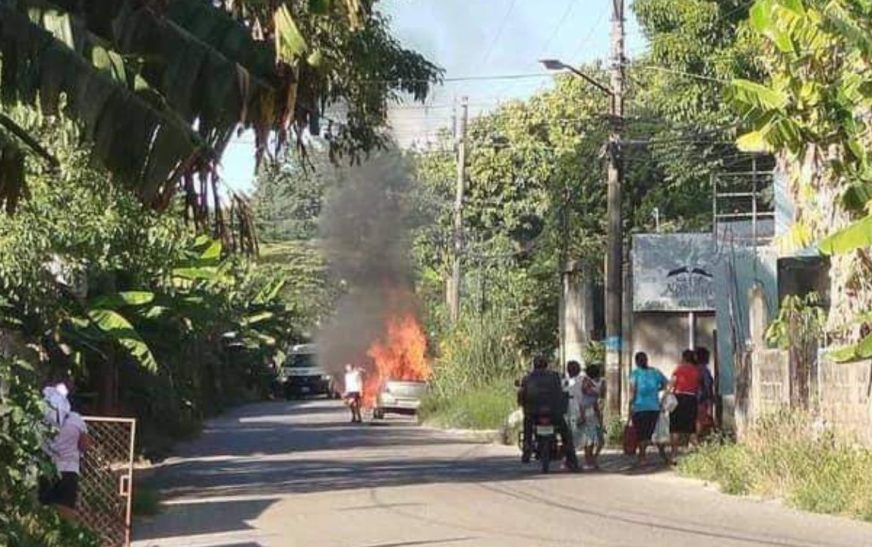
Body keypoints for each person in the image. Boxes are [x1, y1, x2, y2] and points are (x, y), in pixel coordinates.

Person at [40, 375, 92, 522]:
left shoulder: (40, 418)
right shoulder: (76, 420)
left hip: (46, 469)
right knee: (66, 511)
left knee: (45, 511)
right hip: (69, 471)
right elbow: (85, 446)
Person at [518, 355, 579, 470]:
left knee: (528, 426)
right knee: (565, 434)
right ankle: (572, 459)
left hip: (533, 413)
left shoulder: (527, 378)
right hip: (554, 412)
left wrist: (524, 404)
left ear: (534, 365)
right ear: (546, 365)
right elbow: (562, 391)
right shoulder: (555, 376)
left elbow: (521, 395)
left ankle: (527, 448)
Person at [628, 352, 669, 466]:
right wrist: (658, 389)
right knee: (649, 432)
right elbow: (667, 384)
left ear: (636, 362)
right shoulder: (655, 373)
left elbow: (632, 392)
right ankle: (661, 456)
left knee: (642, 433)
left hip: (639, 407)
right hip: (654, 407)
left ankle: (642, 457)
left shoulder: (635, 374)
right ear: (646, 360)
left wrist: (630, 407)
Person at [670, 349, 701, 461]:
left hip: (679, 398)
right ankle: (701, 455)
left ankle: (674, 455)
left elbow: (671, 384)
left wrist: (666, 396)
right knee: (691, 428)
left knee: (675, 428)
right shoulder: (696, 371)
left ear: (683, 358)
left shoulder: (679, 369)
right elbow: (697, 387)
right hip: (692, 399)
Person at [579, 363, 605, 469]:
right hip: (589, 411)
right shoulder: (587, 381)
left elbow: (600, 394)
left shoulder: (600, 381)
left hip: (595, 411)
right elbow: (586, 392)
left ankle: (592, 459)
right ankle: (589, 461)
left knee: (599, 439)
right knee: (589, 439)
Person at [695, 346, 715, 438]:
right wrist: (710, 398)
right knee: (701, 420)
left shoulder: (694, 368)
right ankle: (696, 440)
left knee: (698, 419)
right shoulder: (704, 370)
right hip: (702, 398)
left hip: (695, 398)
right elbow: (707, 385)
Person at [563, 361, 584, 449]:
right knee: (573, 423)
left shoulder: (565, 381)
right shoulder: (566, 381)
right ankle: (574, 444)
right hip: (573, 403)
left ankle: (574, 443)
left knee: (573, 423)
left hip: (572, 403)